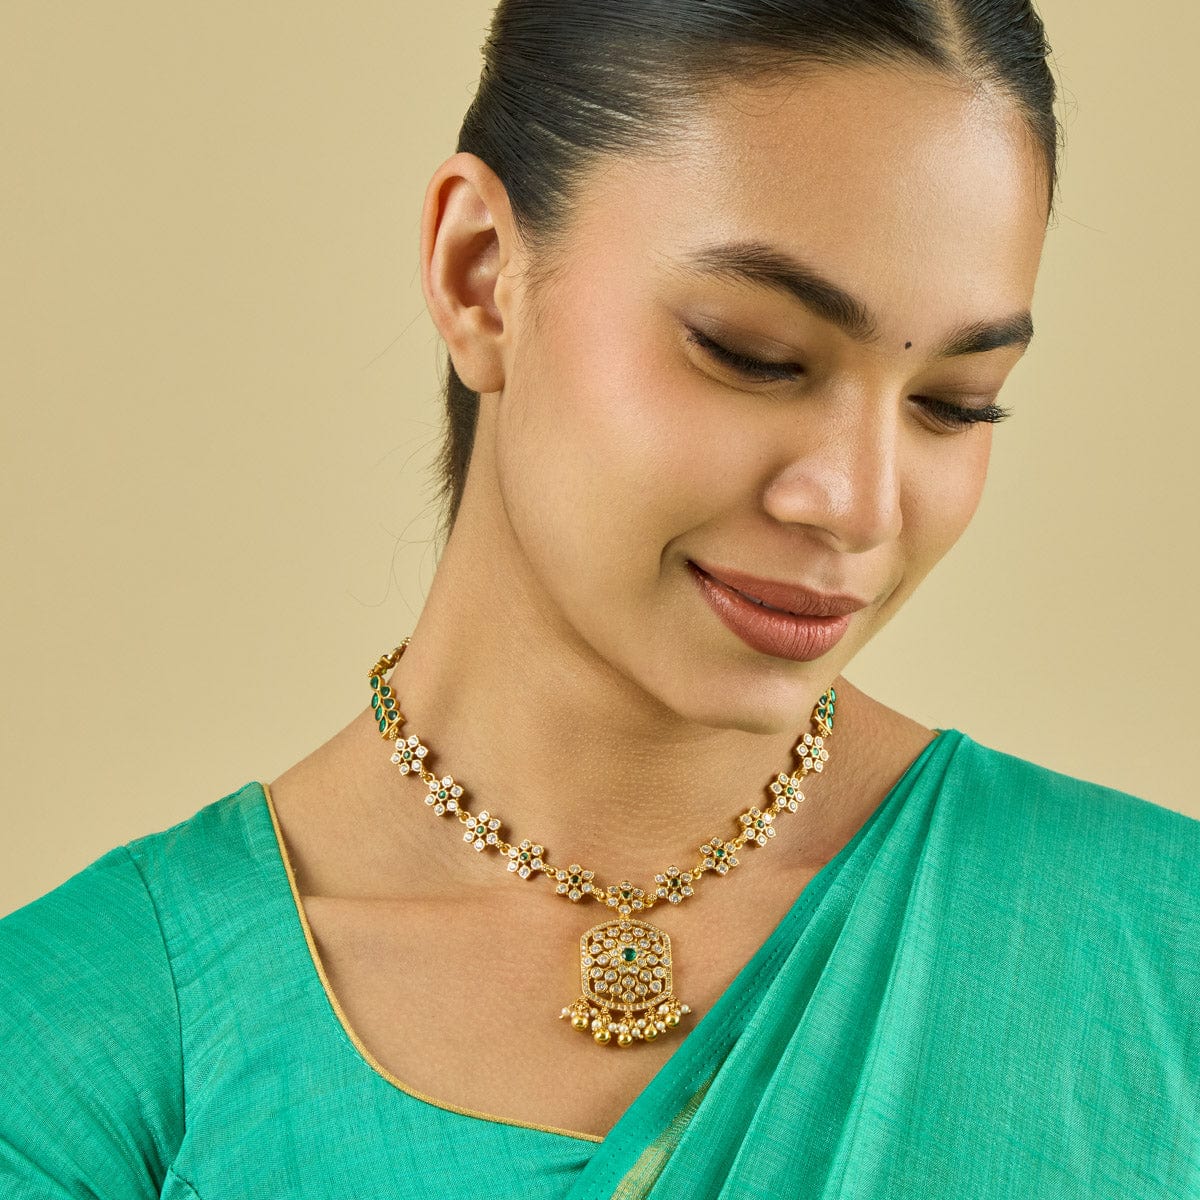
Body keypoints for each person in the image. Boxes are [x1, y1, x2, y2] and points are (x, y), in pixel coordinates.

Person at [2, 1, 1197, 1197]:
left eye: (955, 403)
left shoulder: (1154, 950)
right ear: (481, 276)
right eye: (753, 353)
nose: (859, 505)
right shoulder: (85, 1044)